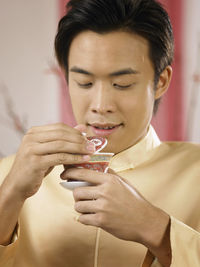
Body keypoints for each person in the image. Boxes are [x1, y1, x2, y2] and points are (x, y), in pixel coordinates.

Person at [0, 0, 200, 266]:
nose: (100, 105)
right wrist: (10, 193)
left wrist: (156, 228)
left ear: (161, 82)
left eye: (122, 84)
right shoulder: (12, 173)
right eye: (85, 82)